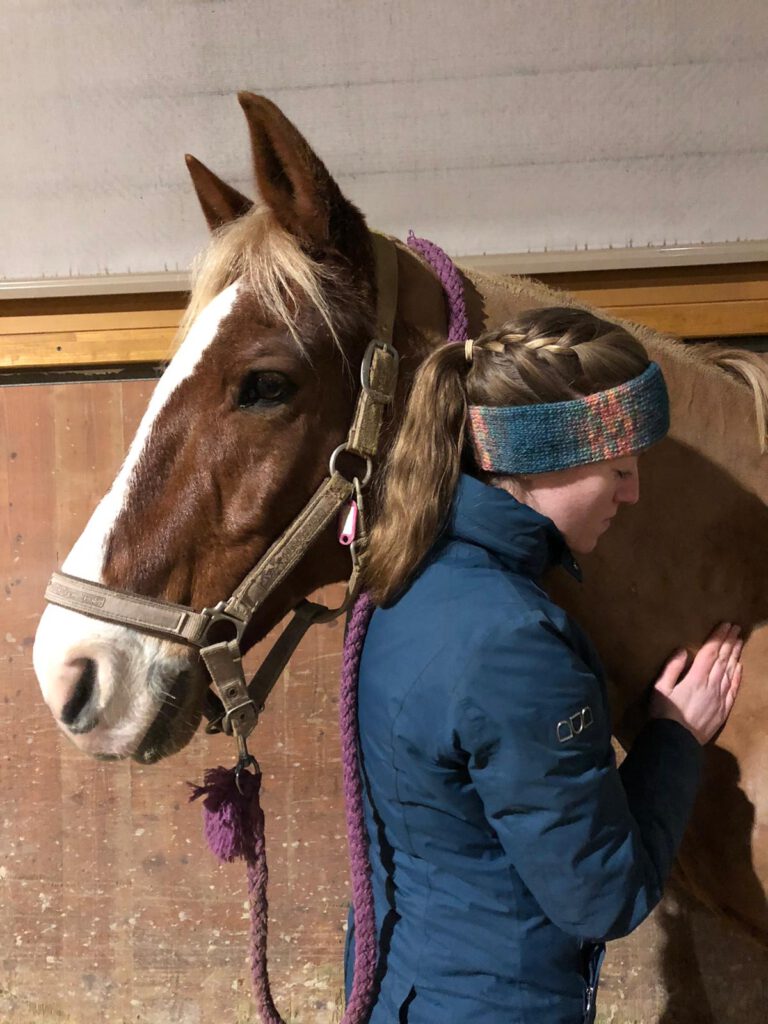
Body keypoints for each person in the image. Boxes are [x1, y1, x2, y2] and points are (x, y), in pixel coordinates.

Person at [346, 307, 743, 1024]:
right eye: (618, 468)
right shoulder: (514, 642)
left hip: (402, 990)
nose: (633, 494)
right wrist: (676, 738)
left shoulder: (401, 582)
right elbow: (601, 894)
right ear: (543, 458)